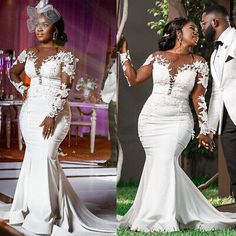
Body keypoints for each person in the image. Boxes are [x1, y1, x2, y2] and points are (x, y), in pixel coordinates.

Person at [0, 1, 117, 235]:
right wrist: (24, 89)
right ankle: (36, 206)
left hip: (55, 113)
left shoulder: (66, 55)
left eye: (45, 25)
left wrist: (52, 115)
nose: (39, 28)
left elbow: (65, 88)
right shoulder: (29, 53)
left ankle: (44, 215)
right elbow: (12, 72)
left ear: (55, 29)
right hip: (31, 112)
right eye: (37, 24)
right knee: (35, 159)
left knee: (46, 156)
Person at [118, 17, 236, 233]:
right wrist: (124, 53)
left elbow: (198, 98)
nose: (197, 32)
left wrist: (205, 129)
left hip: (179, 120)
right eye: (192, 29)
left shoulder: (200, 62)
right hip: (151, 119)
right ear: (178, 33)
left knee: (165, 159)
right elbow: (134, 79)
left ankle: (158, 217)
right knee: (158, 162)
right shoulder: (156, 57)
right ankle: (155, 213)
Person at [201, 4, 236, 199]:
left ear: (215, 22)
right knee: (234, 169)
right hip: (227, 122)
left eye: (204, 23)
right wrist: (210, 129)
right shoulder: (215, 54)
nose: (201, 27)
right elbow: (217, 92)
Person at [100, 49, 118, 167]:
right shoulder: (114, 65)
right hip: (113, 100)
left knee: (115, 131)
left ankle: (115, 159)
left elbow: (112, 84)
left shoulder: (117, 66)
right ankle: (114, 158)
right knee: (113, 132)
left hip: (115, 101)